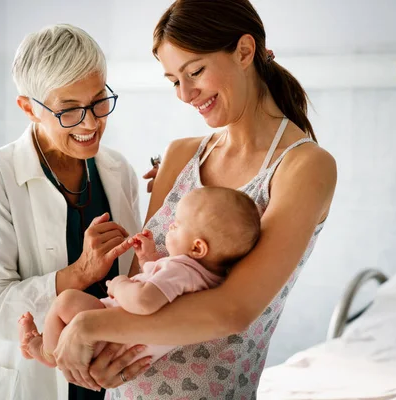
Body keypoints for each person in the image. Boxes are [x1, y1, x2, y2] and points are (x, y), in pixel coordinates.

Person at [46, 0, 338, 399]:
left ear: (245, 51)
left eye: (195, 71)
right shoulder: (181, 155)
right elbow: (139, 283)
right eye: (173, 80)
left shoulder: (303, 166)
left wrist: (90, 327)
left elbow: (233, 311)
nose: (184, 94)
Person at [0, 24, 151, 400]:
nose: (90, 123)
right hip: (30, 383)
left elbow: (137, 279)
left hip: (108, 372)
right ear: (28, 107)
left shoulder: (118, 171)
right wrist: (77, 274)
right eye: (69, 110)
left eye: (97, 101)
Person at [19, 187, 261, 369]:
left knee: (66, 301)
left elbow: (145, 301)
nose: (170, 228)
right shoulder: (204, 277)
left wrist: (119, 285)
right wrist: (148, 258)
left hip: (112, 332)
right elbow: (161, 289)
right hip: (128, 343)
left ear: (197, 248)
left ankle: (43, 349)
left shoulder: (182, 269)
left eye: (177, 225)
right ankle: (44, 344)